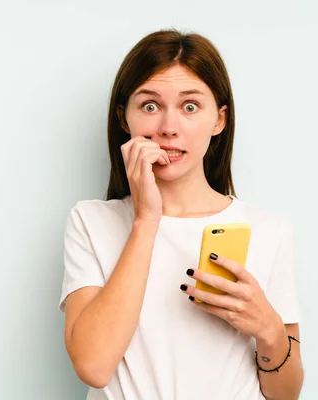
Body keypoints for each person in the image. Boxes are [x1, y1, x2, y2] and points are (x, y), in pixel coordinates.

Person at [59, 29, 304, 400]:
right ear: (124, 118)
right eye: (150, 106)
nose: (168, 128)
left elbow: (285, 395)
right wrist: (146, 220)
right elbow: (93, 366)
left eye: (190, 107)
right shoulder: (92, 222)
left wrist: (269, 329)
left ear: (219, 120)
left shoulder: (269, 230)